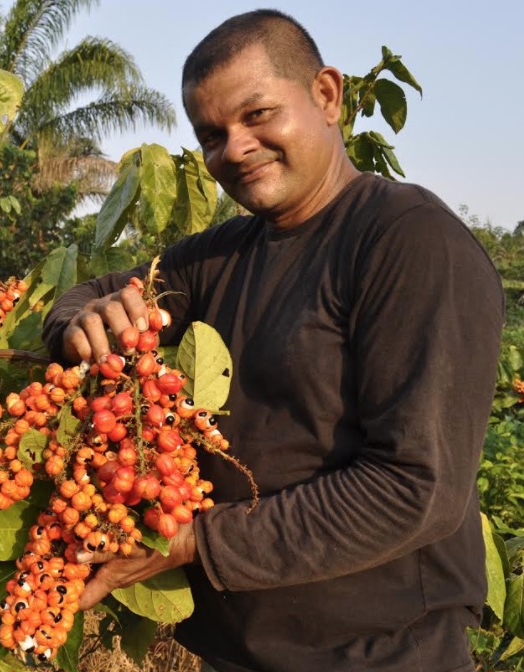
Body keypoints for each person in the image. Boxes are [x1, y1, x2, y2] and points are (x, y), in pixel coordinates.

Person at [41, 9, 504, 672]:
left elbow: (414, 487)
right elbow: (96, 293)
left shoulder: (409, 242)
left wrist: (192, 542)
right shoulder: (220, 256)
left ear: (326, 96)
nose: (234, 148)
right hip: (236, 651)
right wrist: (74, 326)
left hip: (382, 654)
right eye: (212, 134)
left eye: (257, 115)